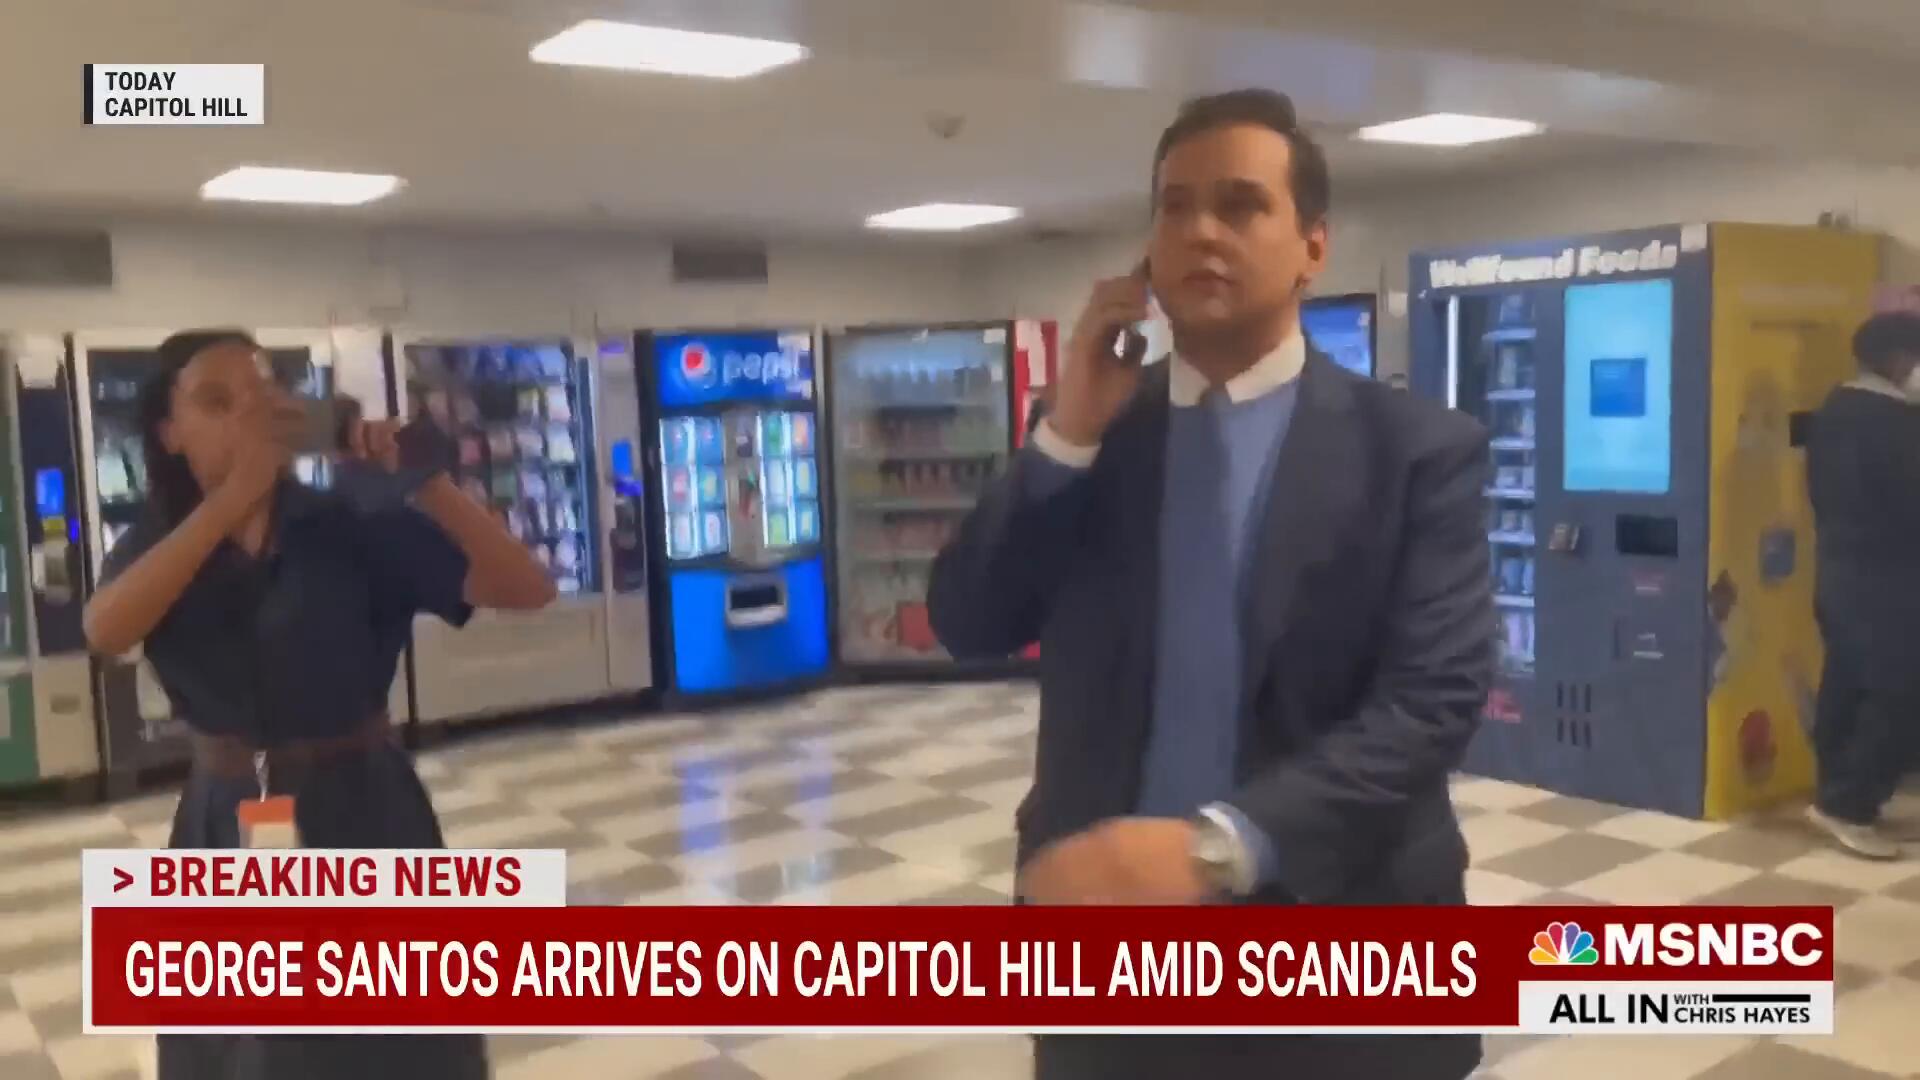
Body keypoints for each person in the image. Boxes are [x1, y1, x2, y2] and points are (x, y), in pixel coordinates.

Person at [928, 90, 1492, 1080]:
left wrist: (1214, 848)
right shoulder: (1098, 439)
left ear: (1313, 246)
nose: (1200, 232)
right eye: (1175, 207)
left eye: (1240, 205)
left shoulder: (1413, 453)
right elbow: (969, 619)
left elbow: (1430, 703)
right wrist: (1067, 432)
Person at [83, 329, 557, 1079]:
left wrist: (426, 482)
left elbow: (526, 588)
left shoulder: (351, 522)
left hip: (363, 809)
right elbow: (106, 629)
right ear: (170, 433)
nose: (249, 414)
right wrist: (230, 501)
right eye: (217, 401)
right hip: (226, 820)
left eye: (262, 393)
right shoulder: (159, 540)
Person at [1803, 311, 1920, 859]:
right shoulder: (1889, 422)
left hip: (1842, 571)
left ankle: (1840, 796)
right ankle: (1848, 805)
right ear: (1898, 359)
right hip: (1885, 577)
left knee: (1848, 684)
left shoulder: (1838, 409)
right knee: (1899, 690)